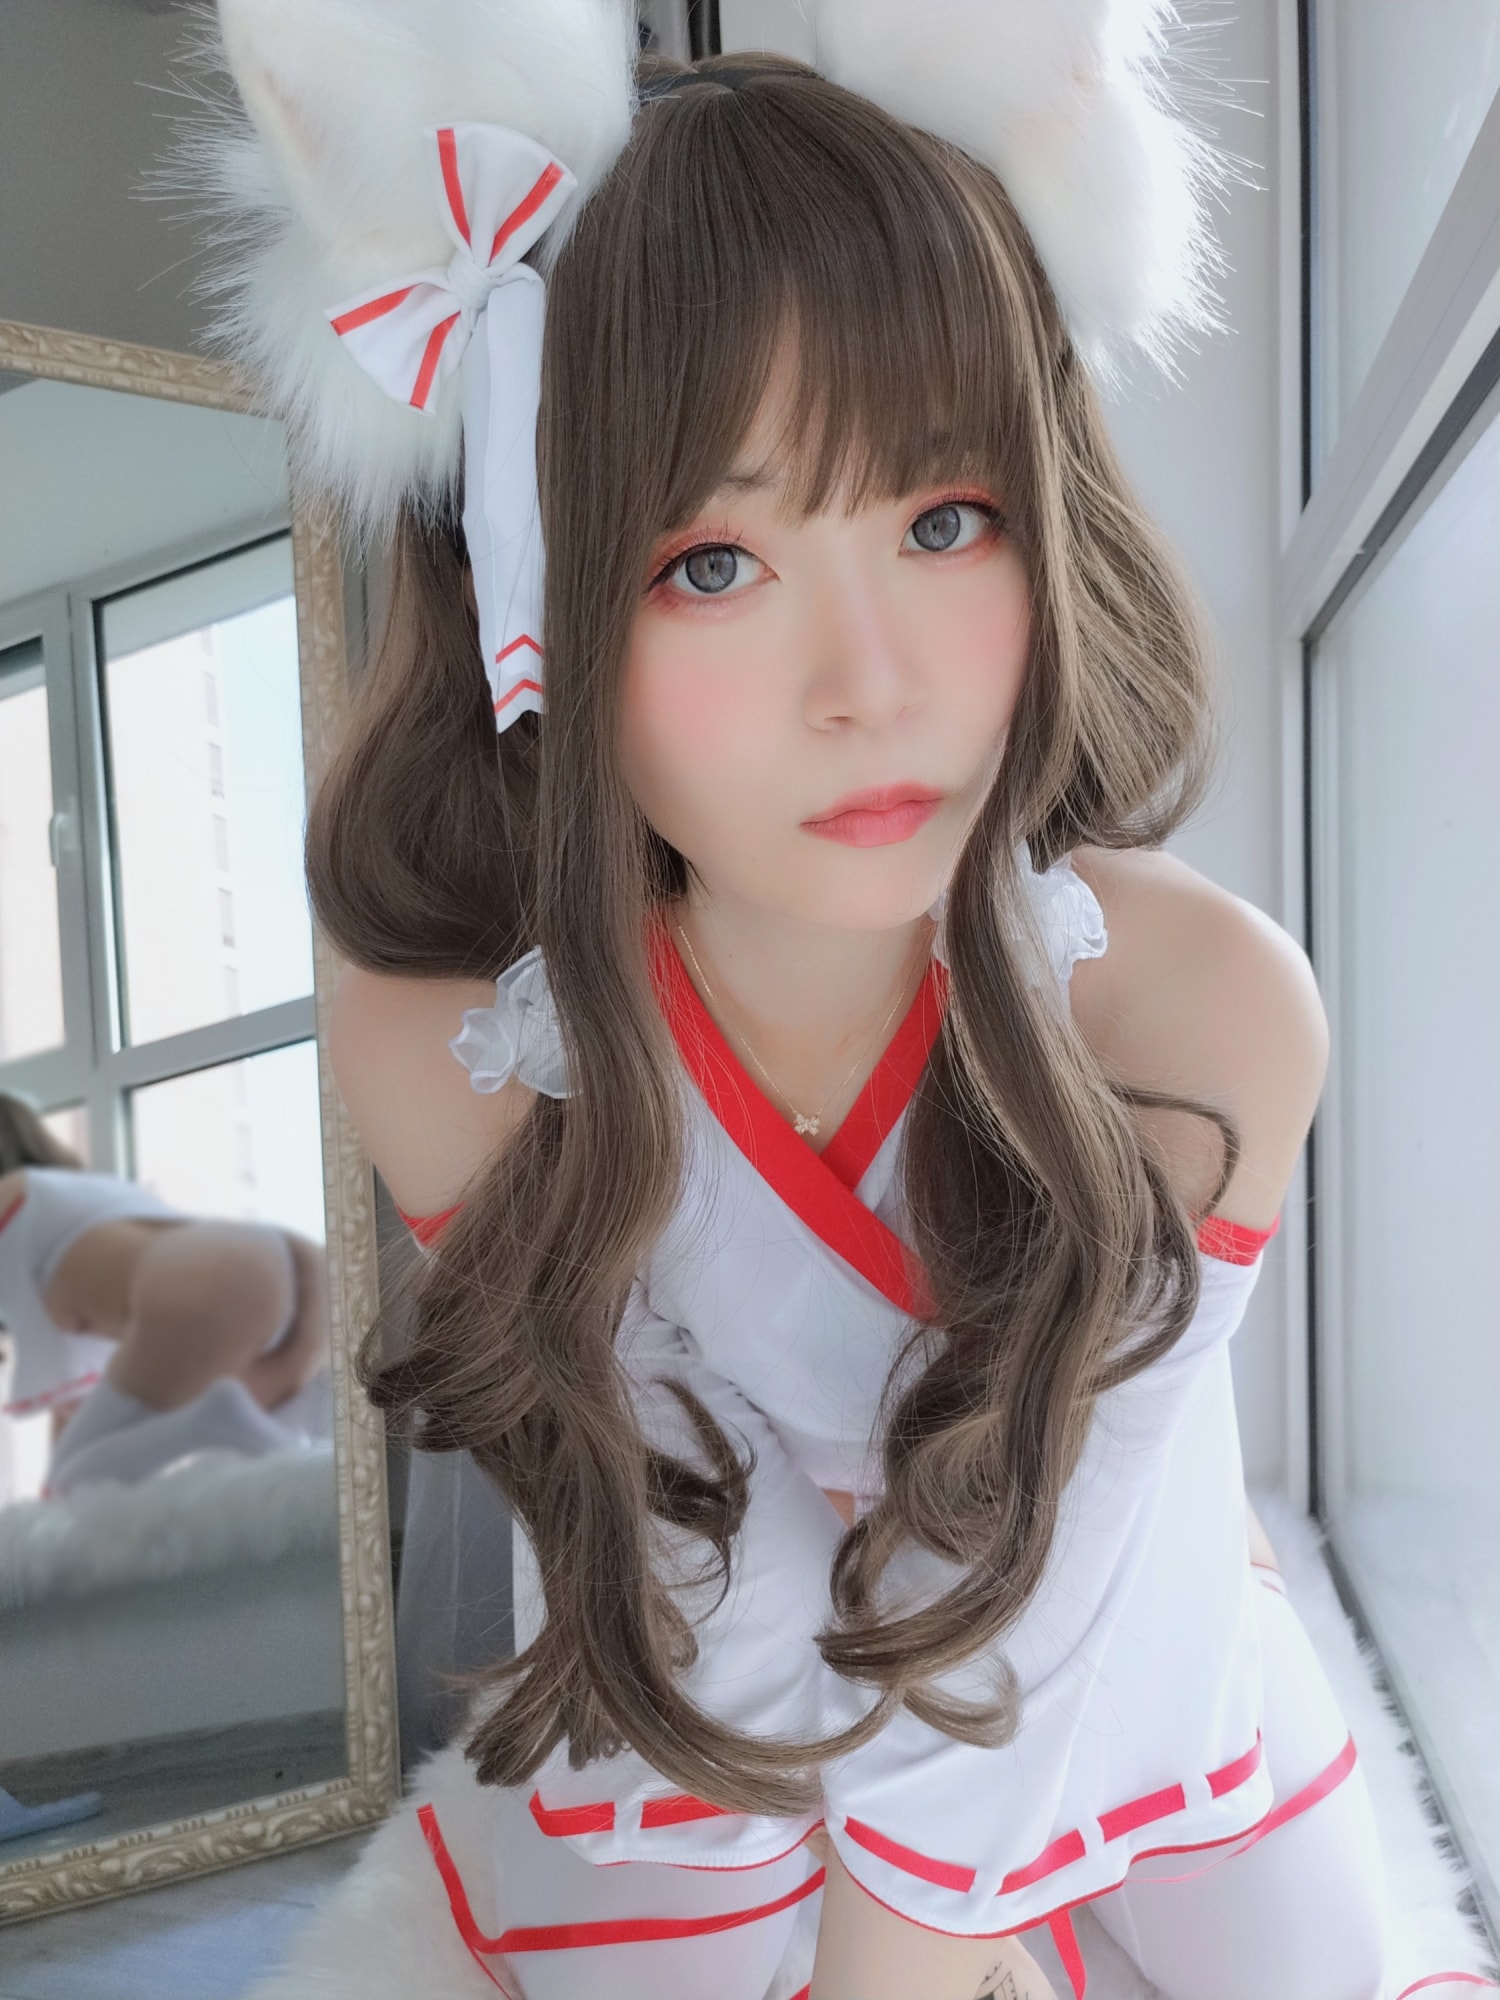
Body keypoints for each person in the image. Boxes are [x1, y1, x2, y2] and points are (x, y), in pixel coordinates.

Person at [190, 3, 1489, 1994]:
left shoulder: (1197, 1002)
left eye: (944, 521)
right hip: (704, 1706)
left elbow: (1054, 1569)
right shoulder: (456, 1047)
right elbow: (695, 1560)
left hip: (1130, 1670)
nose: (871, 683)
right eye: (712, 563)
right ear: (527, 593)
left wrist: (913, 1944)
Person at [0, 1093, 329, 1495]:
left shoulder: (10, 1202)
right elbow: (86, 1389)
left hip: (203, 1278)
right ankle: (225, 1420)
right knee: (273, 1437)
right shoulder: (80, 1194)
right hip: (289, 1262)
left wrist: (56, 1489)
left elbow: (75, 1403)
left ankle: (212, 1421)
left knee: (78, 1480)